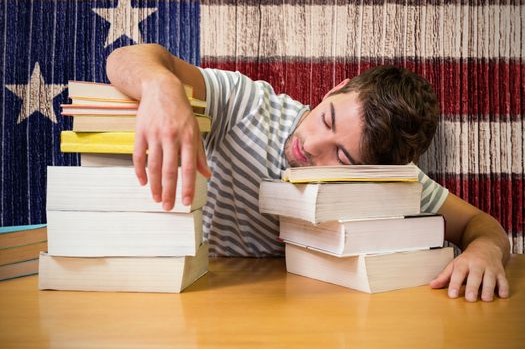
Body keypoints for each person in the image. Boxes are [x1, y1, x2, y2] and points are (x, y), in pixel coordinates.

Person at [106, 43, 510, 303]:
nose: (311, 145)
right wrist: (163, 87)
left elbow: (480, 224)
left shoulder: (389, 181)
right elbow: (125, 58)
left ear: (374, 173)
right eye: (328, 119)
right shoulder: (249, 106)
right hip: (201, 290)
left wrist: (485, 250)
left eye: (342, 157)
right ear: (337, 87)